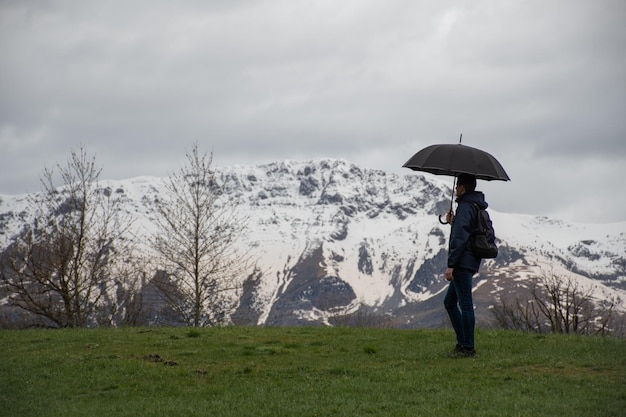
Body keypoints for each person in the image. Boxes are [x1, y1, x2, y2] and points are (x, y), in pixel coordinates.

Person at [443, 173, 487, 357]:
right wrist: (453, 222)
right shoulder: (474, 205)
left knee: (465, 304)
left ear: (462, 187)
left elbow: (460, 237)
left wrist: (451, 265)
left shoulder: (465, 207)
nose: (455, 189)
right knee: (450, 302)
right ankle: (463, 343)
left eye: (457, 186)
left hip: (461, 262)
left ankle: (467, 347)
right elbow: (465, 230)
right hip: (469, 260)